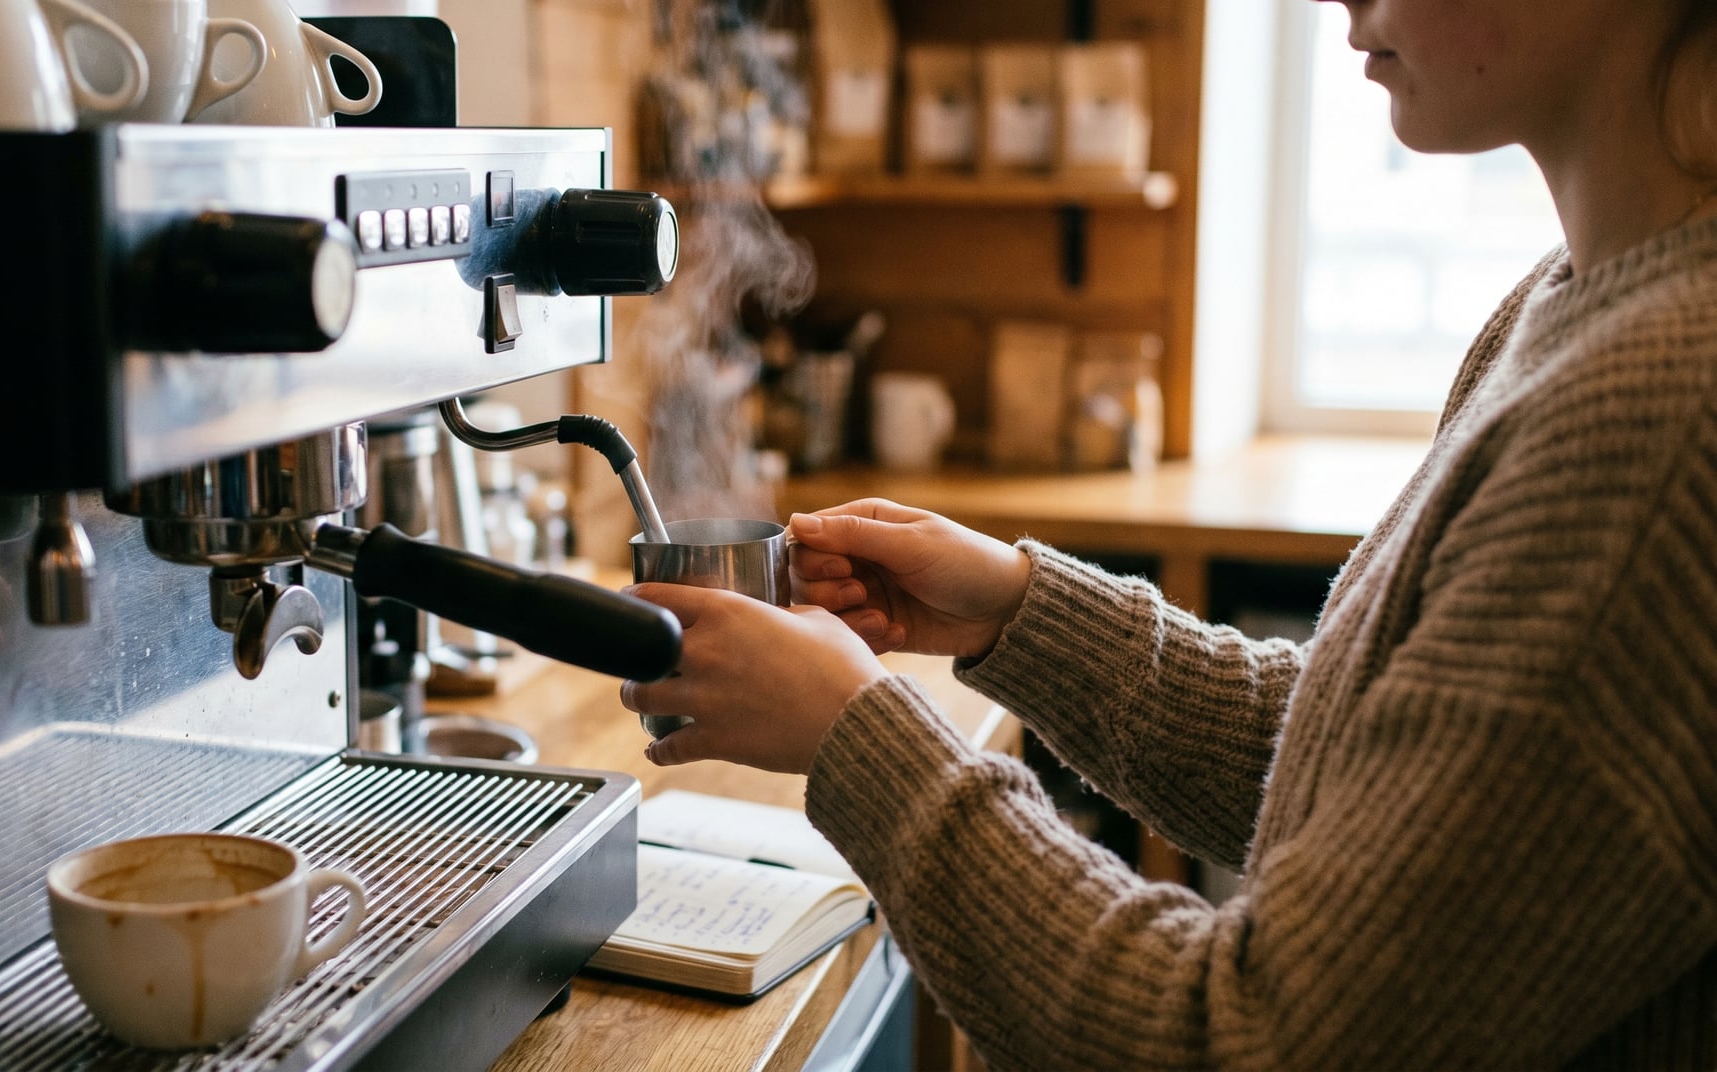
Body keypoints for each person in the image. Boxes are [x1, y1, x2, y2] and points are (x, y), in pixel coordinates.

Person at [617, 1, 1717, 1067]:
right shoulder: (1571, 299)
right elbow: (1362, 763)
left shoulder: (1660, 423)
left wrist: (856, 737)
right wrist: (1019, 613)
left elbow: (1245, 1041)